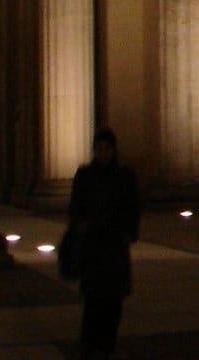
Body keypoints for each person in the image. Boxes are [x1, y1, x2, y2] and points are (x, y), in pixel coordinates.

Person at [64, 127, 140, 360]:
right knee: (93, 299)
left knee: (114, 300)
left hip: (115, 244)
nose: (103, 153)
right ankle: (90, 344)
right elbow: (75, 206)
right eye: (99, 148)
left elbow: (133, 207)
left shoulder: (124, 176)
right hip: (94, 246)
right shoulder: (85, 175)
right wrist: (79, 225)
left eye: (107, 148)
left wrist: (130, 232)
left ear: (113, 150)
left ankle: (107, 344)